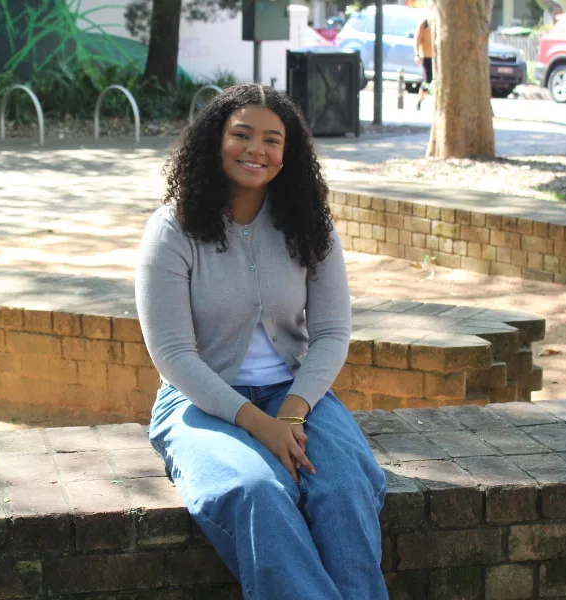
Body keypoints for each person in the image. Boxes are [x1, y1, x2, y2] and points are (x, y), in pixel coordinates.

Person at [135, 84, 389, 599]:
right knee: (256, 493)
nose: (257, 150)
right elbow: (174, 356)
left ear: (286, 155)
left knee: (342, 489)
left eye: (272, 140)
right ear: (215, 141)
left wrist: (292, 413)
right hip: (198, 404)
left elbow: (332, 332)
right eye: (242, 135)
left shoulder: (309, 225)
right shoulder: (172, 230)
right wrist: (261, 427)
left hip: (296, 395)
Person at [414, 18, 433, 110]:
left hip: (436, 56)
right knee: (428, 79)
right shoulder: (424, 23)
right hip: (426, 55)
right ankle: (420, 100)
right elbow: (417, 39)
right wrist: (417, 54)